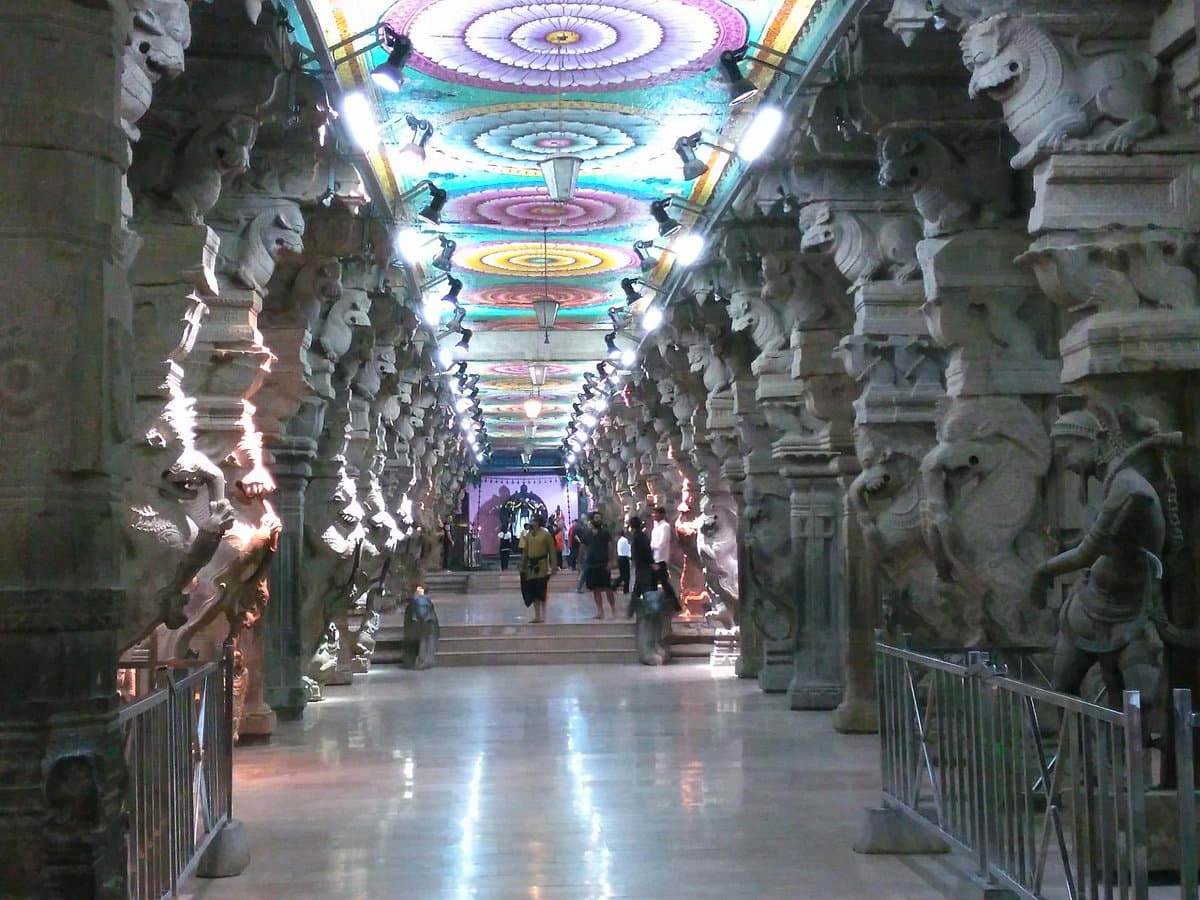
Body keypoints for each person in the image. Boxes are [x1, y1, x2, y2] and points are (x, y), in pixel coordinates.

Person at [520, 514, 557, 624]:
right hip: (531, 566)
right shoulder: (529, 535)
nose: (532, 522)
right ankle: (537, 615)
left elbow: (552, 551)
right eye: (532, 520)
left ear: (539, 522)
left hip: (542, 565)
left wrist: (554, 566)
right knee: (533, 590)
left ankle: (543, 615)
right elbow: (525, 552)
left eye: (534, 521)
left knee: (541, 589)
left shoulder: (546, 535)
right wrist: (522, 565)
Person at [582, 510, 618, 619]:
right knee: (595, 589)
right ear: (592, 519)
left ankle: (613, 609)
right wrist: (580, 561)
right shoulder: (587, 533)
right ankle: (600, 611)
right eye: (596, 518)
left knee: (608, 588)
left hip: (603, 563)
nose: (598, 519)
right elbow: (583, 546)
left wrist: (611, 561)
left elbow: (610, 547)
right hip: (592, 564)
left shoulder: (605, 532)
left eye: (599, 517)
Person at [627, 515, 656, 618]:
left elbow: (645, 552)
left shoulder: (639, 537)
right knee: (639, 589)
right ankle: (631, 611)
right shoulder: (639, 536)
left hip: (643, 566)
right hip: (641, 566)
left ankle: (649, 610)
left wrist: (651, 563)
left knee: (644, 589)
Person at [649, 505, 678, 606]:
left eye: (656, 514)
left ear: (662, 515)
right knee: (654, 582)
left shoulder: (665, 526)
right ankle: (655, 603)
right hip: (654, 558)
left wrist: (653, 548)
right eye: (653, 514)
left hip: (661, 558)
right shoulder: (656, 527)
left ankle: (675, 604)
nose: (654, 516)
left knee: (664, 583)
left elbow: (663, 542)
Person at [573, 515, 592, 592]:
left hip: (587, 552)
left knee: (587, 570)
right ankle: (580, 586)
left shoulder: (584, 530)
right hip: (587, 552)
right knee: (586, 570)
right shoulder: (585, 531)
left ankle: (586, 585)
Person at [615, 528, 631, 595]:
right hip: (625, 558)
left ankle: (615, 585)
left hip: (620, 558)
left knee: (622, 575)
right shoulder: (625, 540)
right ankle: (625, 589)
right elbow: (628, 549)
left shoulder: (619, 541)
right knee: (626, 575)